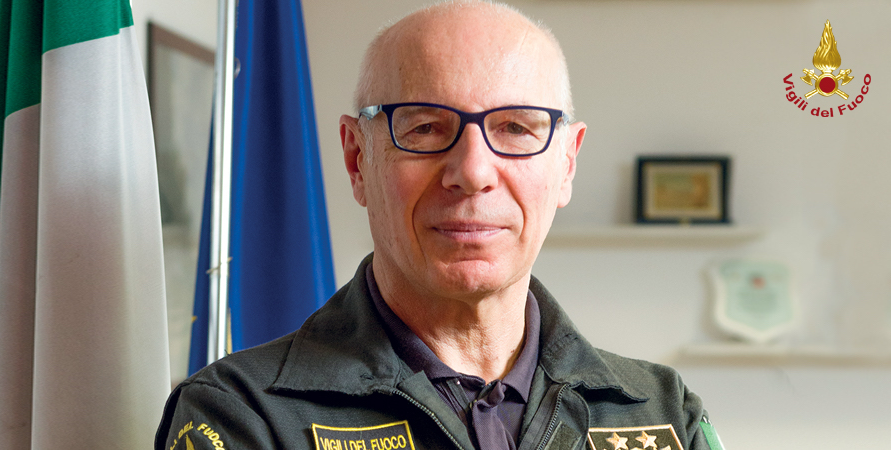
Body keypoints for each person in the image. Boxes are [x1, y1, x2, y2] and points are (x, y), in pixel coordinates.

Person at [156, 2, 725, 449]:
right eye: (426, 127)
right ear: (357, 159)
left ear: (567, 165)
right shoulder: (241, 415)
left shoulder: (665, 416)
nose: (473, 172)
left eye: (517, 129)